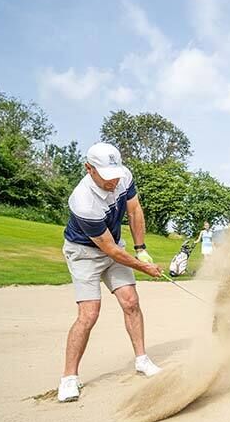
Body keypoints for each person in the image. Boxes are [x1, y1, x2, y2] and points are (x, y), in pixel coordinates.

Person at [57, 142, 163, 403]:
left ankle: (142, 360)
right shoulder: (82, 201)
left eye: (114, 174)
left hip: (116, 247)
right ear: (89, 169)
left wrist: (141, 249)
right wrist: (145, 268)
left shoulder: (123, 176)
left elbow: (135, 210)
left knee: (131, 302)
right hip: (85, 254)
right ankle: (69, 378)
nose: (112, 181)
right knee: (89, 314)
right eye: (106, 177)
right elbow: (109, 250)